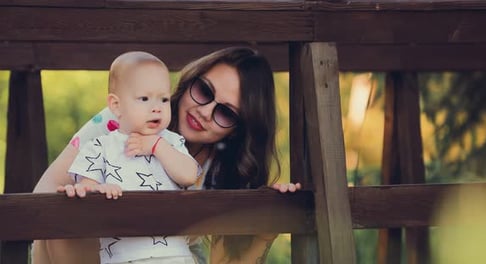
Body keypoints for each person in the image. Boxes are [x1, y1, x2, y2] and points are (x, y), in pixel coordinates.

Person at [32, 47, 301, 264]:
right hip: (96, 251)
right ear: (188, 82)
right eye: (204, 91)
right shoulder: (122, 122)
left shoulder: (224, 169)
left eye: (225, 113)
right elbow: (42, 200)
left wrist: (266, 224)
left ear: (237, 130)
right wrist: (91, 193)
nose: (205, 112)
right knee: (67, 215)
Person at [65, 51, 199, 263]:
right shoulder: (101, 146)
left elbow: (189, 175)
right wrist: (98, 189)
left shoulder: (171, 142)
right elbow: (85, 188)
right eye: (144, 98)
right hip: (124, 257)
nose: (157, 107)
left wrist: (157, 146)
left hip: (174, 254)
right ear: (116, 105)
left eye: (164, 99)